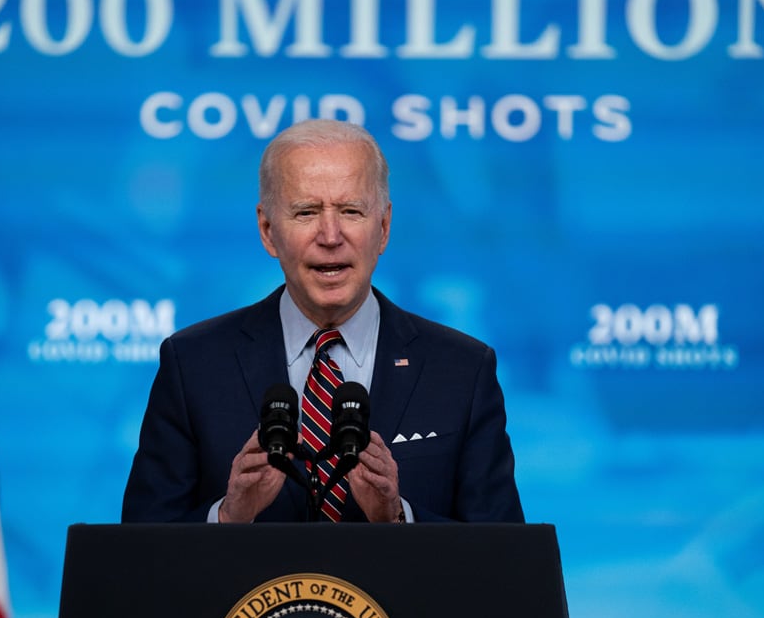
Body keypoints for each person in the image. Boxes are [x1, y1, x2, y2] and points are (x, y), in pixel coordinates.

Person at [122, 119, 523, 523]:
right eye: (306, 212)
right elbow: (136, 558)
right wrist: (227, 518)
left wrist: (397, 520)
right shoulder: (193, 364)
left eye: (351, 211)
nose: (330, 236)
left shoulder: (462, 369)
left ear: (383, 228)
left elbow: (506, 563)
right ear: (267, 230)